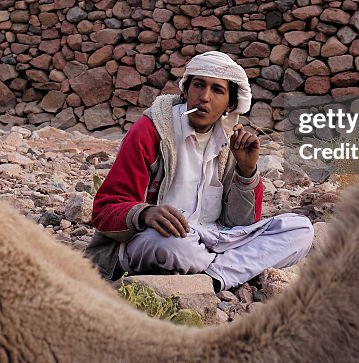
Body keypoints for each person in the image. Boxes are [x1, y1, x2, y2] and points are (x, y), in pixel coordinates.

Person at [85, 51, 314, 291]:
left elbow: (240, 224)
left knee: (300, 230)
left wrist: (247, 171)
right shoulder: (152, 130)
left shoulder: (230, 142)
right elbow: (104, 210)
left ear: (231, 104)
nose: (204, 97)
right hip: (159, 239)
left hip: (215, 239)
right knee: (173, 246)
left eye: (217, 90)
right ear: (185, 91)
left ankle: (210, 276)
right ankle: (226, 273)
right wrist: (145, 214)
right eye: (198, 85)